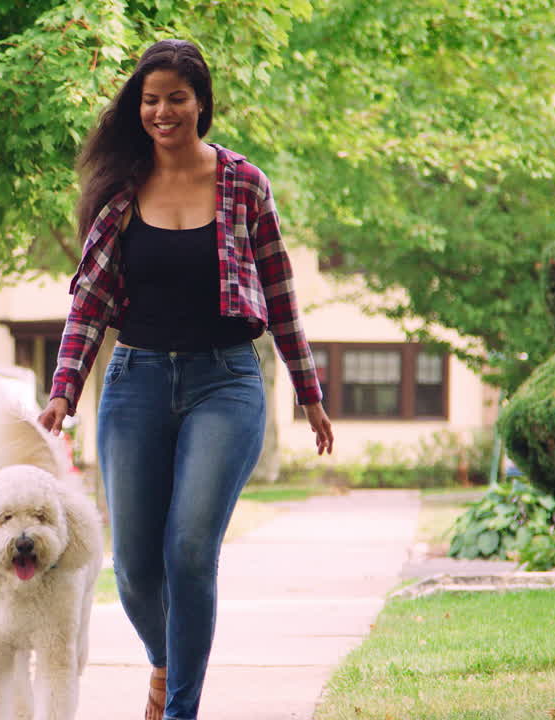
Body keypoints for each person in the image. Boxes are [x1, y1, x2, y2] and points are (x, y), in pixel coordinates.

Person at [37, 39, 334, 720]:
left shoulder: (243, 183)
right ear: (136, 107)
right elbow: (89, 301)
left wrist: (310, 394)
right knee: (136, 566)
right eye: (151, 99)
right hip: (136, 379)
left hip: (225, 383)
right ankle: (166, 665)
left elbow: (282, 295)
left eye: (177, 97)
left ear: (201, 101)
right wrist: (63, 390)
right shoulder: (120, 189)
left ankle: (180, 710)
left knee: (190, 551)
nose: (163, 111)